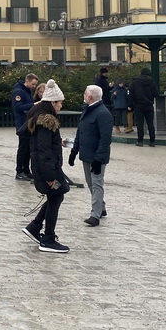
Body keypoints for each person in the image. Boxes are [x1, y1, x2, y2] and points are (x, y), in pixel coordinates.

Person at [22, 79, 69, 253]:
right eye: (59, 102)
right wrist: (51, 177)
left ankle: (35, 226)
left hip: (47, 169)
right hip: (47, 171)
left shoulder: (42, 119)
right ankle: (48, 237)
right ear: (52, 103)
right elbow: (44, 151)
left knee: (56, 196)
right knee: (57, 194)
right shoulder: (45, 123)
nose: (61, 105)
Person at [69, 84, 112, 227]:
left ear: (90, 97)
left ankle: (95, 215)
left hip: (96, 157)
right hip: (86, 155)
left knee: (96, 183)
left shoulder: (103, 113)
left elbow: (105, 138)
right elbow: (80, 132)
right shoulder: (87, 110)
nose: (83, 95)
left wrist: (99, 159)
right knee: (90, 183)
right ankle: (101, 207)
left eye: (85, 93)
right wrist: (74, 151)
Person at [11, 73, 38, 180]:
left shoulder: (27, 91)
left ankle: (26, 170)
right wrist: (33, 105)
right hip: (22, 123)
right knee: (23, 148)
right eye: (33, 84)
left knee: (28, 148)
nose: (34, 86)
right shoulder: (18, 91)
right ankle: (19, 171)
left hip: (28, 123)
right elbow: (17, 107)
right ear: (27, 81)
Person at [128, 68, 158, 147]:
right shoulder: (152, 82)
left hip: (138, 105)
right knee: (150, 124)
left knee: (140, 124)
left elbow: (131, 95)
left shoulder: (135, 83)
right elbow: (156, 94)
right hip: (149, 105)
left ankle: (140, 141)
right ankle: (152, 141)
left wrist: (130, 105)